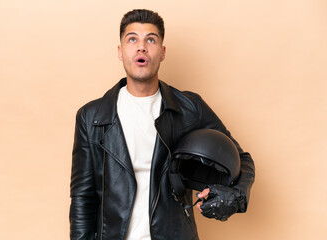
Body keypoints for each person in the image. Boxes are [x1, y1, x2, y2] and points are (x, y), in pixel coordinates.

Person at [69, 9, 255, 240]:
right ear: (120, 51)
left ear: (163, 52)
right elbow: (83, 196)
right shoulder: (91, 116)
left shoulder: (190, 107)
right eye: (132, 39)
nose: (141, 47)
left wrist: (236, 195)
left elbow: (242, 159)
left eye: (151, 39)